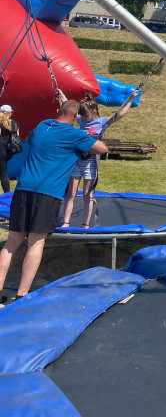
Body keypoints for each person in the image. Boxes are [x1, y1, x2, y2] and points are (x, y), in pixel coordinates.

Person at [0, 101, 107, 304]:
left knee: (12, 242)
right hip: (47, 193)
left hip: (23, 188)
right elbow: (102, 148)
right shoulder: (74, 135)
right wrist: (88, 137)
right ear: (75, 115)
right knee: (36, 241)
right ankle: (22, 294)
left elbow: (31, 137)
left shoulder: (41, 126)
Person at [60, 90, 138, 229]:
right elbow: (67, 107)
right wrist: (60, 93)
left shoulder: (102, 122)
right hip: (77, 160)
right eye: (81, 116)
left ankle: (85, 225)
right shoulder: (80, 120)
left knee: (87, 195)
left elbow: (119, 115)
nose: (83, 119)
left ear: (94, 111)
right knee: (70, 193)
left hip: (90, 162)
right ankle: (66, 222)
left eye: (86, 116)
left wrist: (130, 99)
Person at [0, 105, 19, 194]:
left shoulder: (0, 123)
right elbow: (17, 136)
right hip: (9, 152)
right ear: (9, 113)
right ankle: (7, 194)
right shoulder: (14, 123)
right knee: (3, 173)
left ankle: (7, 193)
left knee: (3, 174)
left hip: (0, 149)